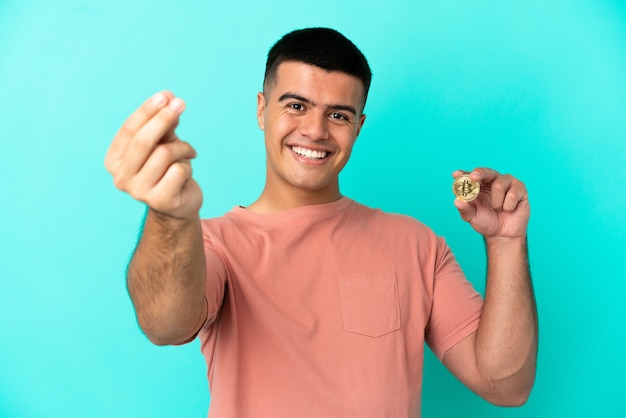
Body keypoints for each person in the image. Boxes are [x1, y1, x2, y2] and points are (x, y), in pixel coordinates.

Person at [104, 27, 537, 417]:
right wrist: (170, 215)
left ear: (359, 126)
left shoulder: (417, 244)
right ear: (261, 109)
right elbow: (164, 324)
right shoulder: (211, 245)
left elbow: (506, 385)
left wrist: (506, 241)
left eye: (338, 114)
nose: (315, 130)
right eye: (296, 105)